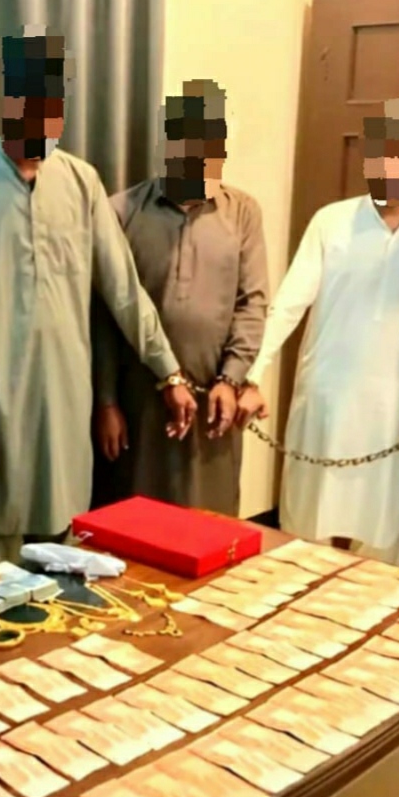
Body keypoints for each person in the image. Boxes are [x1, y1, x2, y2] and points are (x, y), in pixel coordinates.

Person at [0, 29, 197, 564]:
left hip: (66, 398)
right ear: (3, 104)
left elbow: (123, 290)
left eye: (53, 104)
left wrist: (168, 372)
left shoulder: (81, 181)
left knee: (67, 547)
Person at [241, 98, 399, 563]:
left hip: (397, 407)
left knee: (381, 534)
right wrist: (252, 375)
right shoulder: (332, 220)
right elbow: (288, 304)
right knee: (305, 530)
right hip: (327, 397)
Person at [93, 79, 268, 515]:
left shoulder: (243, 213)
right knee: (133, 522)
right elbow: (105, 317)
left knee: (209, 524)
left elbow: (253, 303)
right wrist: (107, 402)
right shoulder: (121, 211)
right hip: (138, 406)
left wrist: (232, 377)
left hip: (215, 402)